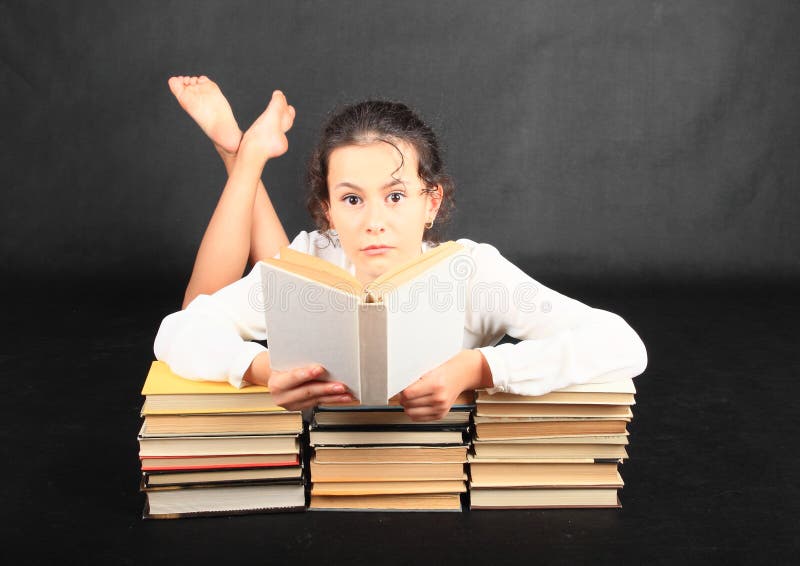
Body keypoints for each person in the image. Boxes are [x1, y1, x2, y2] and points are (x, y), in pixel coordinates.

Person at [154, 75, 648, 421]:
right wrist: (262, 369)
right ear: (327, 209)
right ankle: (245, 157)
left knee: (286, 264)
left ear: (430, 202)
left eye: (395, 196)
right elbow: (177, 331)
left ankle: (242, 156)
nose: (374, 222)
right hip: (324, 455)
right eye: (351, 199)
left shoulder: (472, 273)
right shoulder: (318, 253)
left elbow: (621, 343)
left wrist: (479, 367)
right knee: (292, 268)